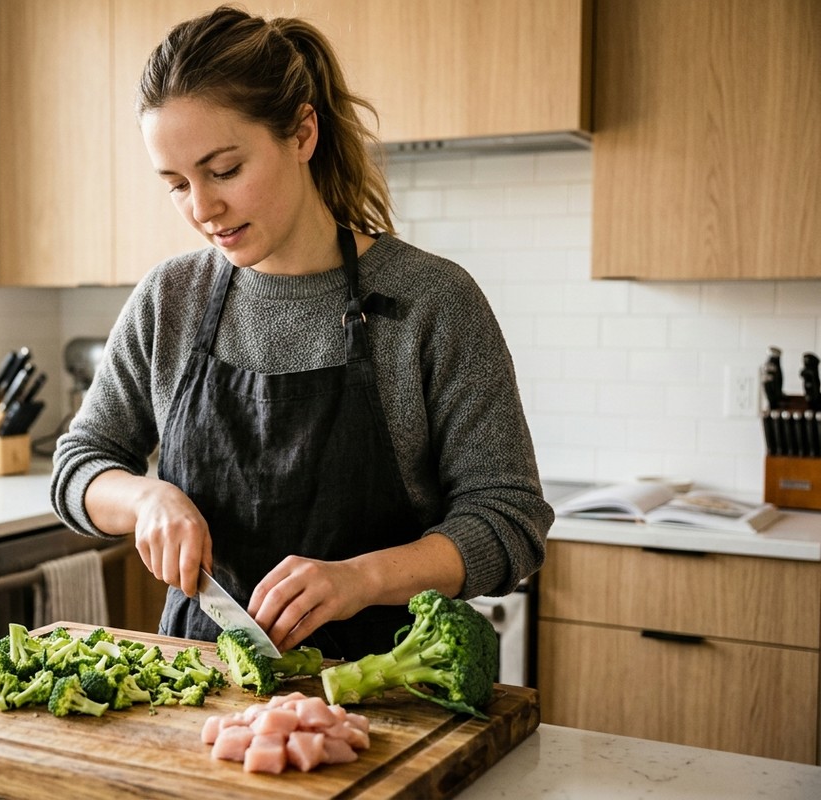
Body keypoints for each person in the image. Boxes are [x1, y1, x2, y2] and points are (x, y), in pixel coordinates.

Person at [51, 5, 552, 660]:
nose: (202, 209)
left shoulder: (430, 301)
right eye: (176, 184)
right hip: (200, 699)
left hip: (386, 701)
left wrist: (362, 579)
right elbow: (78, 466)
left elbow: (509, 521)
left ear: (303, 133)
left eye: (225, 170)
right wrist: (145, 499)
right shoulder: (170, 298)